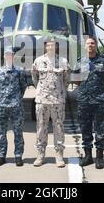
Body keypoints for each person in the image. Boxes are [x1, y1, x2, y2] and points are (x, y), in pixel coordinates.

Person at [74, 37, 104, 169]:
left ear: (95, 45)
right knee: (85, 128)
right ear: (85, 46)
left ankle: (100, 157)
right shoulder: (80, 62)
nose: (90, 45)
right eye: (88, 43)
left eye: (92, 43)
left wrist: (101, 88)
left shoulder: (103, 61)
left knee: (100, 129)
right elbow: (76, 79)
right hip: (84, 100)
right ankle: (88, 156)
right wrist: (84, 89)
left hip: (99, 100)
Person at [31, 38, 70, 168]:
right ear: (45, 47)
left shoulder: (63, 62)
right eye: (48, 45)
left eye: (53, 45)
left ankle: (59, 155)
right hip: (42, 100)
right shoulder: (38, 61)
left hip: (58, 100)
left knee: (58, 127)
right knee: (41, 127)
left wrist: (59, 91)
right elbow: (35, 78)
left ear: (57, 47)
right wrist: (42, 90)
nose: (51, 47)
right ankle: (40, 154)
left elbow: (66, 80)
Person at [0, 46, 27, 167]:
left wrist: (16, 98)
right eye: (7, 54)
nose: (9, 56)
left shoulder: (20, 70)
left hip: (16, 106)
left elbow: (23, 87)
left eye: (11, 54)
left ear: (14, 56)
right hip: (1, 106)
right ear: (4, 56)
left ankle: (18, 156)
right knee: (1, 133)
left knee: (18, 132)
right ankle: (1, 155)